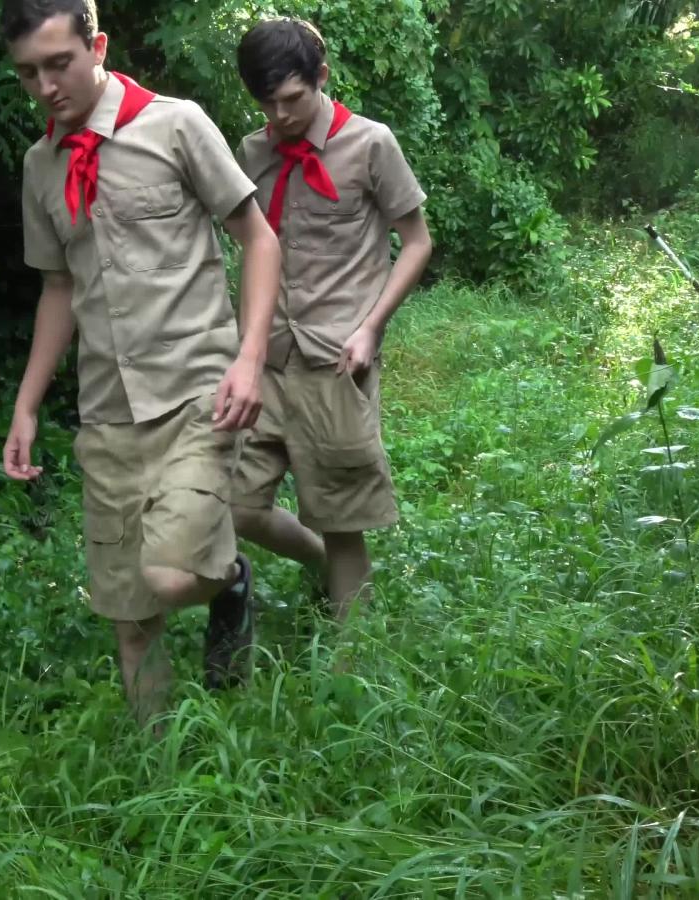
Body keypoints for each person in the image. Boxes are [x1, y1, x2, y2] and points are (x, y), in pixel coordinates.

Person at [0, 0, 281, 730]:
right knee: (129, 616)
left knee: (168, 574)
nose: (46, 86)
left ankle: (229, 582)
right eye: (28, 72)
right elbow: (58, 287)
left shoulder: (176, 124)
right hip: (108, 411)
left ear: (97, 45)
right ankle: (157, 776)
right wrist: (28, 404)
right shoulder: (40, 165)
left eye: (59, 63)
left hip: (199, 390)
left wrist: (250, 359)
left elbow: (259, 238)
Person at [230, 17, 433, 625]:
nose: (280, 114)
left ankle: (352, 668)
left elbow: (417, 242)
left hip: (335, 358)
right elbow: (251, 253)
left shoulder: (371, 144)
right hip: (267, 359)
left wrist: (371, 326)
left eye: (291, 98)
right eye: (266, 102)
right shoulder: (252, 153)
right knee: (236, 503)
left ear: (321, 77)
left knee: (344, 518)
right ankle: (319, 564)